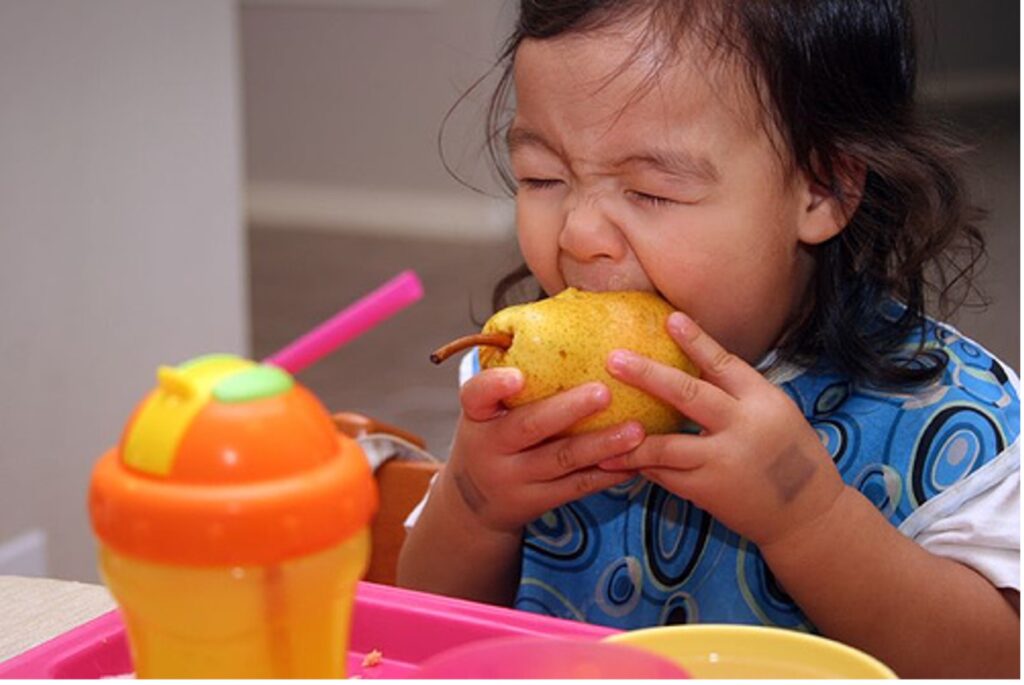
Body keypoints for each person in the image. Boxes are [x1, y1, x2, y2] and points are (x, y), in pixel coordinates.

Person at [396, 0, 1020, 677]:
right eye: (543, 178)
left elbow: (992, 663)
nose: (577, 235)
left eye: (651, 191)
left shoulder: (945, 417)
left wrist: (809, 520)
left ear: (822, 189)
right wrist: (476, 505)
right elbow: (421, 638)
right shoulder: (522, 384)